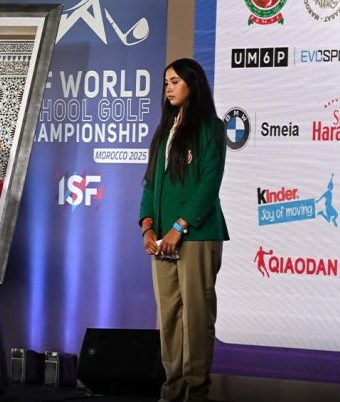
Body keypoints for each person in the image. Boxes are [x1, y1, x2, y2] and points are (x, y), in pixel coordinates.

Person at [138, 58, 229, 402]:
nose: (169, 88)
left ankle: (196, 392)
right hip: (162, 239)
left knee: (196, 316)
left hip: (197, 236)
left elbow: (209, 184)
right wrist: (147, 227)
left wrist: (180, 226)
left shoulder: (210, 127)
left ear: (193, 83)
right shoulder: (165, 129)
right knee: (170, 318)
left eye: (175, 81)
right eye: (166, 83)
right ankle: (172, 390)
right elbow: (150, 183)